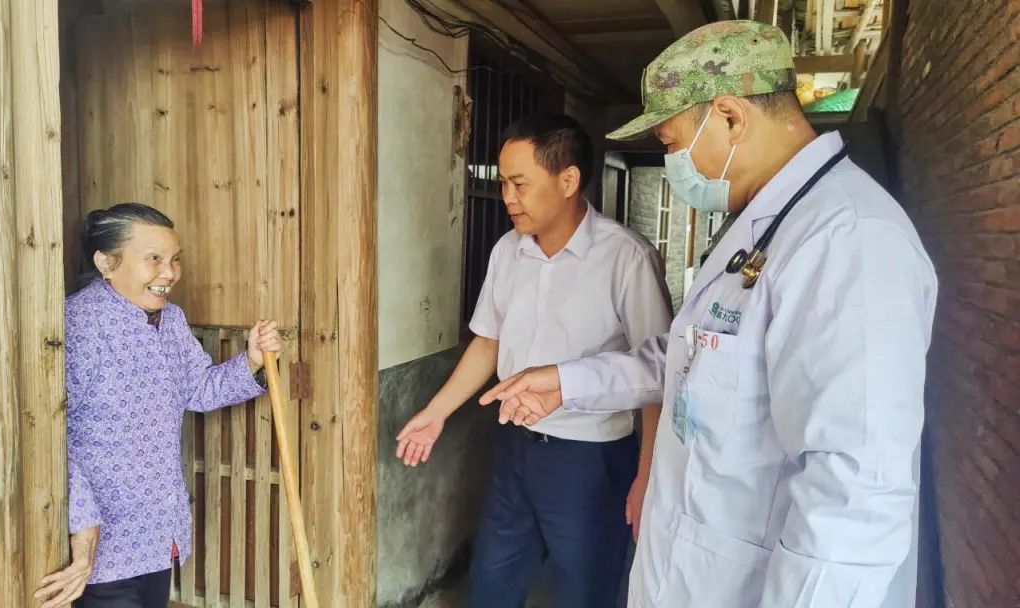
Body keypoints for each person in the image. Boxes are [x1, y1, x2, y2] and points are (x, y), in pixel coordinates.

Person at [480, 21, 938, 608]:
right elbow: (692, 357)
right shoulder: (760, 228)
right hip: (694, 571)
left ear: (730, 117)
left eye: (671, 143)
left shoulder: (847, 240)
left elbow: (853, 498)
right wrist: (569, 381)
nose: (672, 160)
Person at [395, 114, 672, 607]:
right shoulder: (508, 251)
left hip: (591, 460)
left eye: (520, 184)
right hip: (515, 448)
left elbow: (656, 374)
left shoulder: (626, 258)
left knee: (586, 591)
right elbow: (487, 343)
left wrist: (646, 475)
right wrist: (436, 414)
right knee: (492, 585)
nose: (508, 197)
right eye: (502, 182)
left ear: (568, 180)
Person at [34, 203, 283, 608]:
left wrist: (252, 360)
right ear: (106, 263)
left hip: (156, 529)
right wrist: (83, 523)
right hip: (100, 544)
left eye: (174, 260)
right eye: (154, 259)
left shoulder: (171, 321)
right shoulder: (74, 326)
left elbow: (199, 389)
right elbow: (48, 437)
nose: (169, 273)